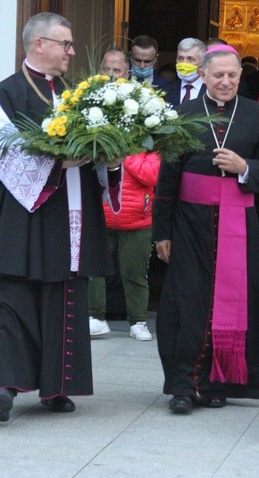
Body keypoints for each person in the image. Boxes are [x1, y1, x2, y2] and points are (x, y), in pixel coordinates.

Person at [0, 12, 122, 422]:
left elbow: (98, 149)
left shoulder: (80, 94)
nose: (72, 51)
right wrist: (60, 163)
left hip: (71, 211)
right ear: (38, 44)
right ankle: (3, 384)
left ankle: (56, 387)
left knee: (63, 297)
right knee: (10, 296)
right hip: (22, 214)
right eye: (65, 43)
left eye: (71, 44)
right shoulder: (7, 93)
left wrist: (110, 157)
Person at [153, 44, 259, 414]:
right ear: (204, 75)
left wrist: (244, 167)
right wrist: (162, 232)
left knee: (232, 305)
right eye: (218, 75)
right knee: (186, 304)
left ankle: (216, 383)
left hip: (238, 225)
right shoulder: (185, 113)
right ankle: (182, 385)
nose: (226, 82)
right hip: (189, 224)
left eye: (232, 76)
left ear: (240, 76)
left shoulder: (258, 115)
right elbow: (167, 178)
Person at [88, 49, 157, 341]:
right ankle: (95, 317)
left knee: (134, 273)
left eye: (116, 70)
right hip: (100, 209)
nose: (111, 75)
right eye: (106, 69)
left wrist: (122, 157)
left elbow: (152, 172)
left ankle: (138, 322)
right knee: (95, 271)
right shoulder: (88, 109)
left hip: (136, 215)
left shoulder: (145, 113)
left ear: (127, 73)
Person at [163, 38, 207, 105]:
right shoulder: (166, 90)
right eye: (180, 58)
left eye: (190, 59)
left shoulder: (212, 90)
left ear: (203, 62)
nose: (184, 63)